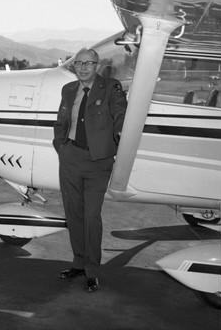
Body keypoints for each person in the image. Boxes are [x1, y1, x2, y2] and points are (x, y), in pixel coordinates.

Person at [53, 47, 127, 292]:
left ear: (97, 65)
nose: (83, 67)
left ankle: (92, 271)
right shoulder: (68, 90)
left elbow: (120, 114)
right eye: (79, 63)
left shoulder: (111, 87)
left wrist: (119, 136)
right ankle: (78, 263)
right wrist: (61, 146)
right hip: (71, 158)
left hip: (98, 162)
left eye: (89, 63)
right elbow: (61, 121)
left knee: (91, 217)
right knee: (73, 214)